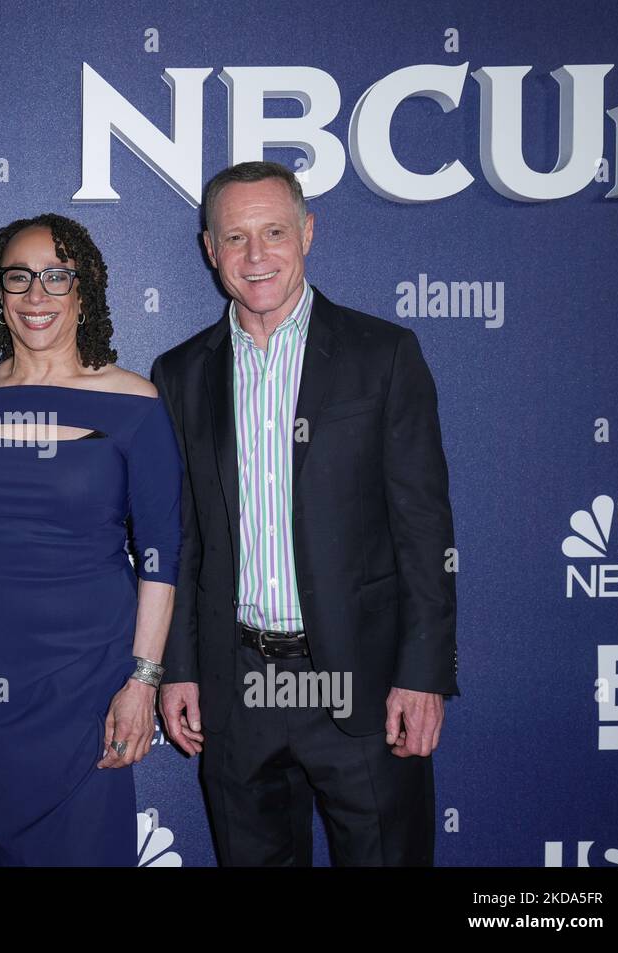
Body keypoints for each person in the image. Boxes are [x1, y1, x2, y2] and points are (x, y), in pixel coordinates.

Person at [152, 161, 458, 866]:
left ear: (308, 234)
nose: (256, 256)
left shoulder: (383, 355)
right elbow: (183, 538)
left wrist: (423, 673)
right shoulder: (181, 373)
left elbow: (425, 530)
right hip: (239, 686)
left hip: (364, 687)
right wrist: (181, 669)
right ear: (210, 250)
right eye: (236, 237)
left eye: (274, 232)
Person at [0, 213, 182, 866]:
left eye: (57, 277)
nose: (37, 295)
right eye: (20, 277)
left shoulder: (134, 403)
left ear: (84, 292)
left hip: (92, 671)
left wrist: (143, 680)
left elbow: (161, 556)